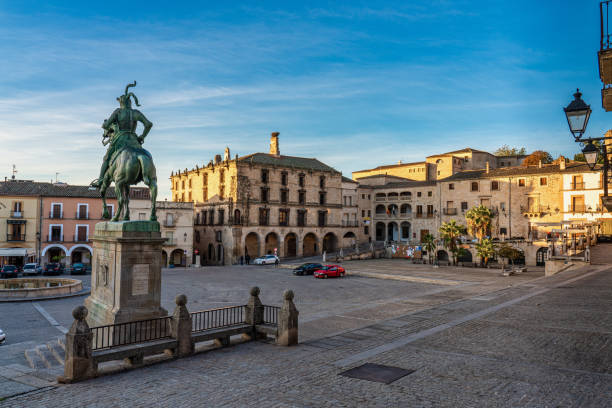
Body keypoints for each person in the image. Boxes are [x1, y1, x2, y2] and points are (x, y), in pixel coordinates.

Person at [90, 81, 153, 188]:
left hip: (120, 140)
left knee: (106, 159)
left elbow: (106, 126)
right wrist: (142, 136)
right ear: (130, 103)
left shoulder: (118, 112)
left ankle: (100, 180)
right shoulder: (136, 113)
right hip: (134, 141)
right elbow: (148, 124)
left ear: (121, 103)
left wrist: (105, 124)